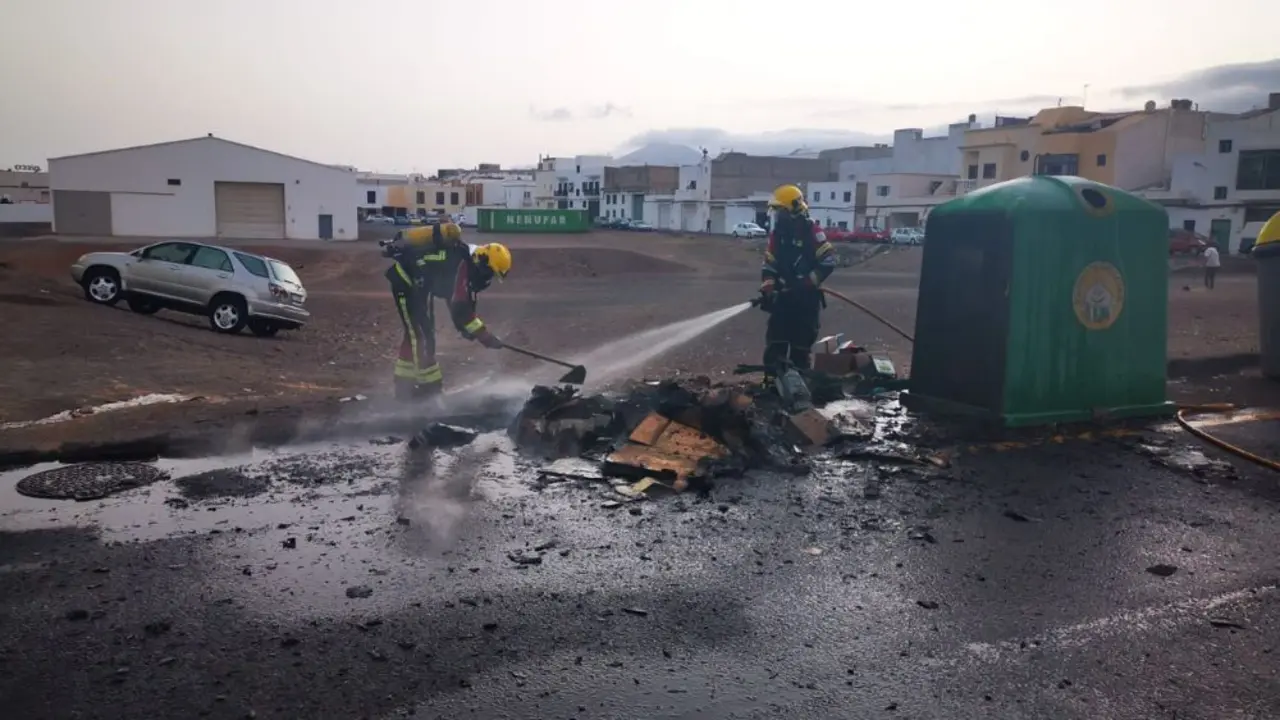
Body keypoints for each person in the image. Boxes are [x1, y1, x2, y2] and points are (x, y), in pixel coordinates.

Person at [381, 222, 512, 402]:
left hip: (416, 287)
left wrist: (468, 330)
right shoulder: (462, 264)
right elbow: (462, 310)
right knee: (422, 336)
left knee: (417, 334)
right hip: (406, 283)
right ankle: (428, 392)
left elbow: (456, 304)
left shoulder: (463, 261)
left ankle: (404, 386)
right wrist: (484, 336)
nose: (487, 278)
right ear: (482, 260)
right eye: (489, 273)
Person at [757, 184, 837, 384]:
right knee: (776, 345)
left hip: (805, 303)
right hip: (782, 301)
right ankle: (772, 387)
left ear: (793, 209)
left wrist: (806, 282)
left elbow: (828, 261)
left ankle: (799, 392)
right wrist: (769, 282)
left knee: (800, 351)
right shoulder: (778, 235)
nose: (777, 216)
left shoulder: (812, 232)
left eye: (780, 211)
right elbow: (770, 262)